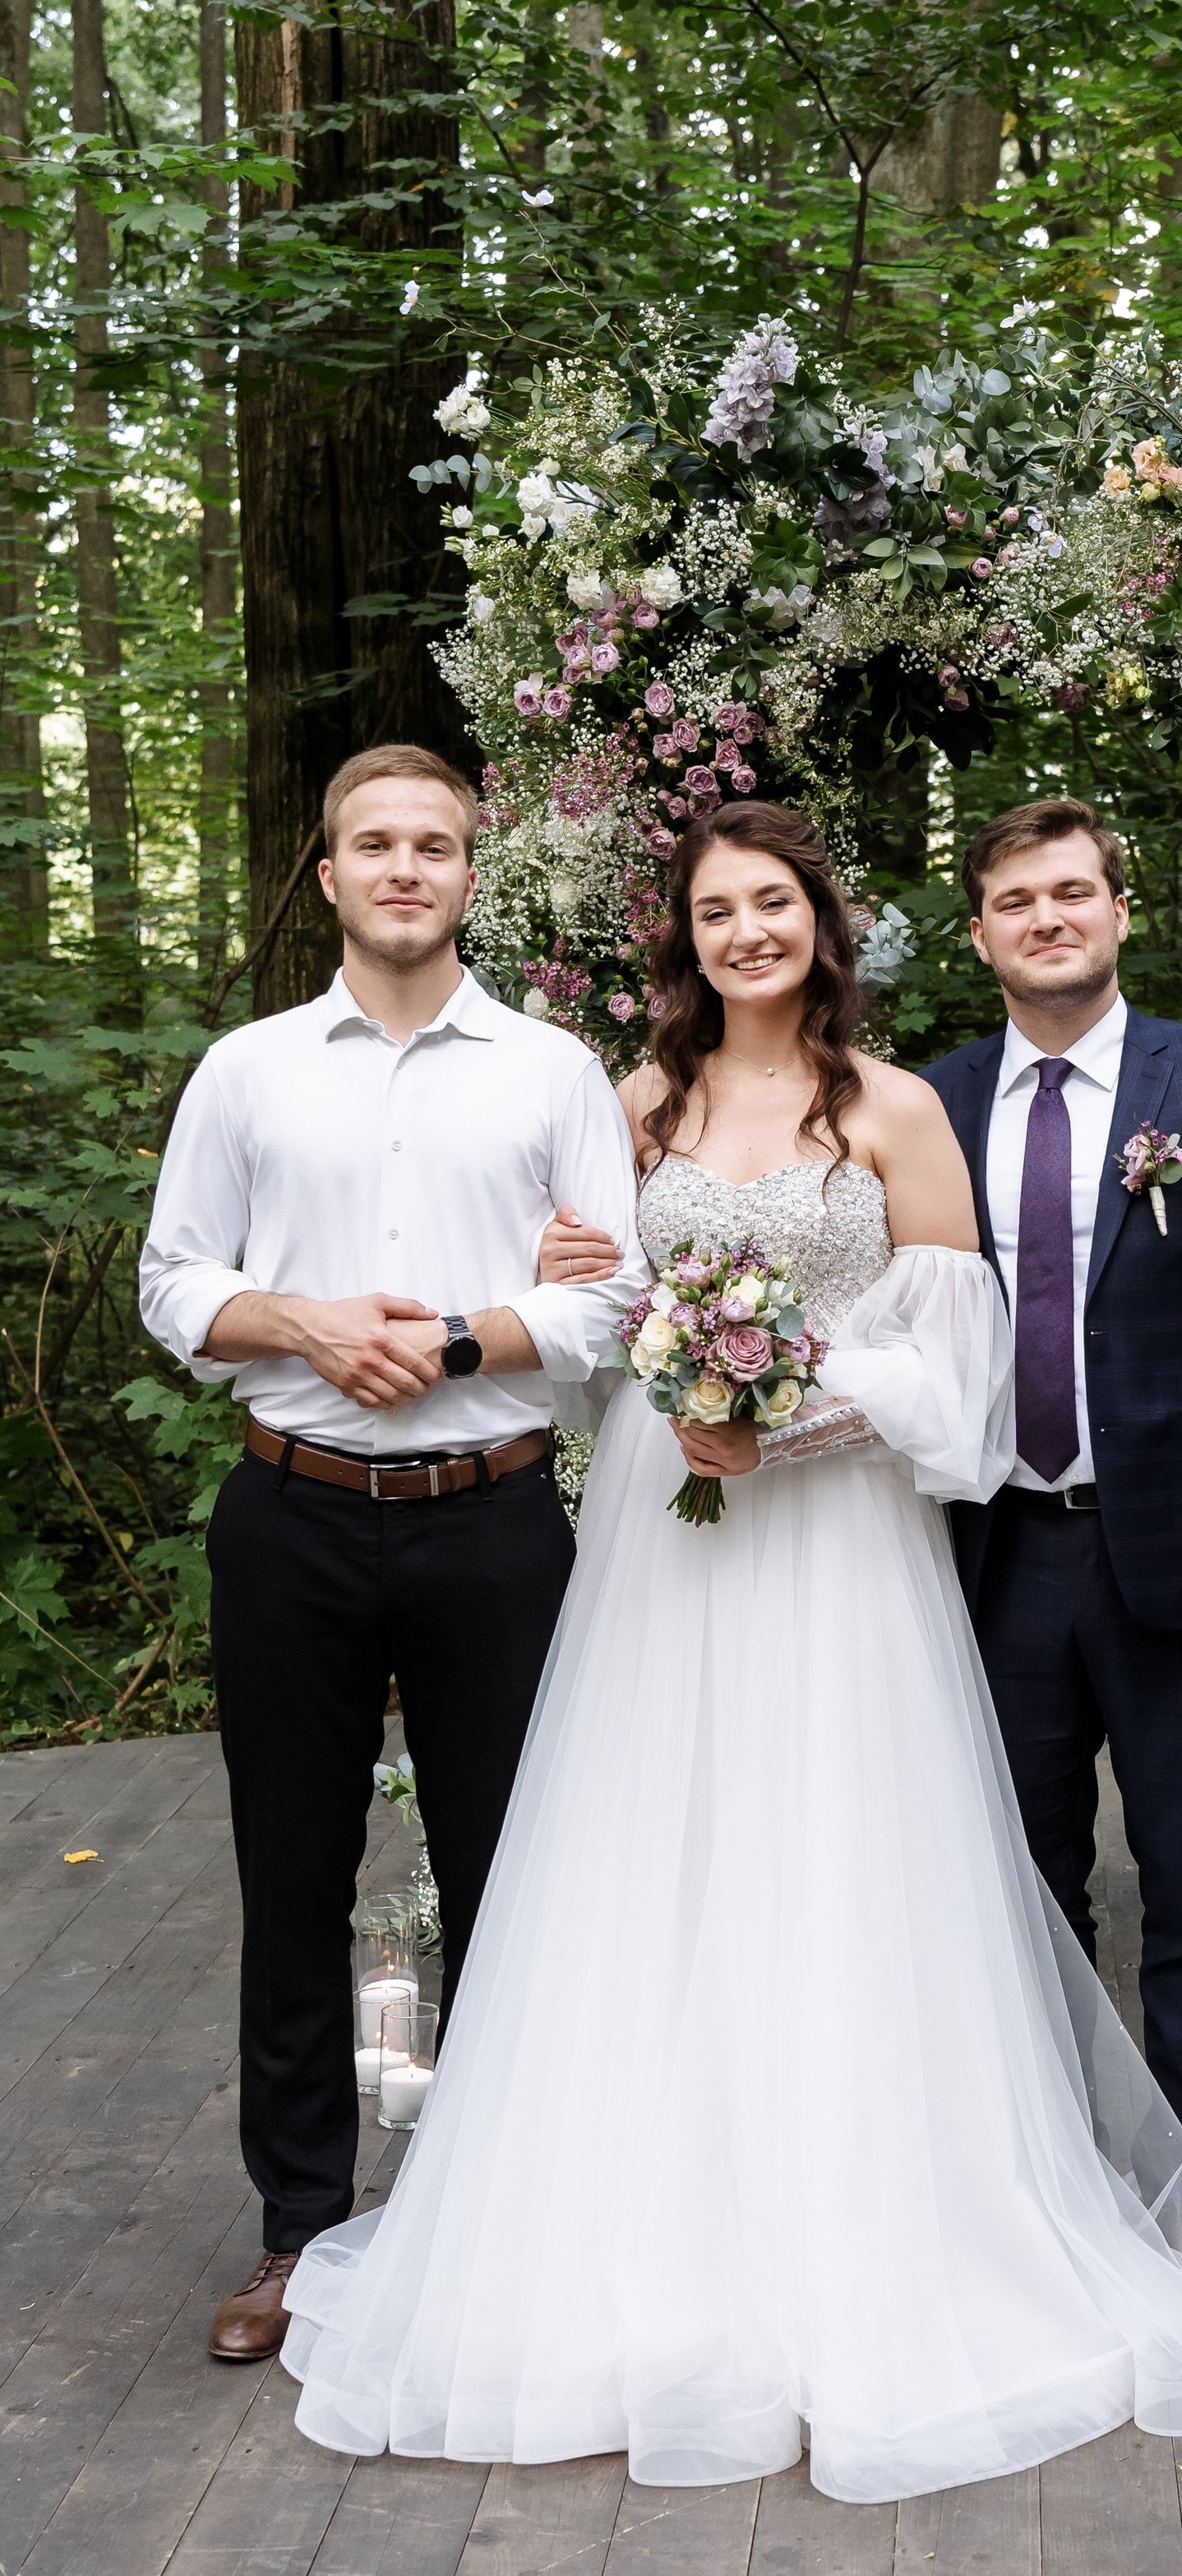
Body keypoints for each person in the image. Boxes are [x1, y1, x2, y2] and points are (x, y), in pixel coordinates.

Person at [277, 801, 1182, 2499]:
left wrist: (795, 1410)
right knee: (650, 1866)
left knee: (840, 1859)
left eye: (774, 904)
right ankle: (641, 2236)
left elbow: (957, 1391)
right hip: (664, 1539)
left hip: (841, 1547)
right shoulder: (626, 1107)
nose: (746, 933)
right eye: (716, 909)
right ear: (683, 934)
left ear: (821, 923)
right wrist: (597, 1314)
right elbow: (576, 1347)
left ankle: (873, 2239)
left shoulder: (895, 1111)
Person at [138, 744, 648, 2367]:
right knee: (293, 1882)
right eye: (377, 844)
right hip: (290, 1518)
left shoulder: (553, 1073)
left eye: (436, 844)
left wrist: (432, 1345)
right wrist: (295, 1320)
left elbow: (611, 1305)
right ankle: (300, 2231)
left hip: (491, 1520)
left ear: (471, 873)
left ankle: (512, 2231)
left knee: (513, 1882)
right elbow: (172, 1286)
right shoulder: (248, 1072)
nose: (407, 868)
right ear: (332, 873)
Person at [921, 799, 1182, 2277]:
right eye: (1017, 900)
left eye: (1073, 893)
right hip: (992, 1553)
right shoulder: (930, 1102)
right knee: (1017, 1883)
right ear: (980, 933)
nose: (1048, 918)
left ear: (1117, 912)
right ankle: (1042, 2171)